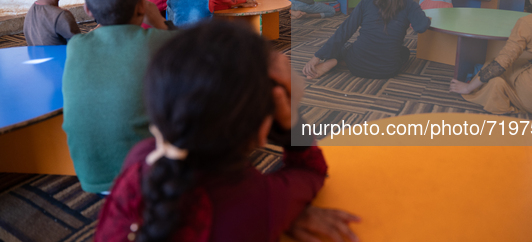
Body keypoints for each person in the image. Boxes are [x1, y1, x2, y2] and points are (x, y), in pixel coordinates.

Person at [94, 21, 360, 242]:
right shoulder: (257, 202)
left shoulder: (141, 157)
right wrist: (292, 122)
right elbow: (311, 170)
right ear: (261, 131)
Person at [62, 0, 173, 194]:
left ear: (89, 10)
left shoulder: (76, 45)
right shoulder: (157, 41)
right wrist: (157, 22)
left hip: (90, 173)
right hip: (143, 174)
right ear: (141, 6)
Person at [303, 0, 431, 79]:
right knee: (405, 52)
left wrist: (317, 57)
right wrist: (425, 19)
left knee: (344, 46)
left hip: (356, 65)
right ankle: (340, 62)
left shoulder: (367, 1)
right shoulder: (410, 5)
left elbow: (344, 31)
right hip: (388, 70)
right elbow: (421, 27)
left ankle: (335, 61)